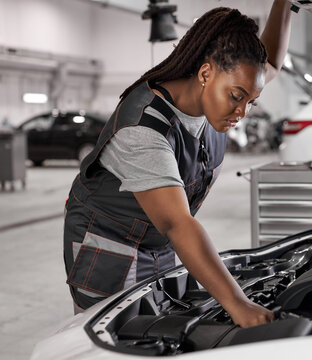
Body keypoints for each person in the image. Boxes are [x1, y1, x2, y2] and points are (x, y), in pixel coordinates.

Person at [63, 0, 291, 328]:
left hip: (155, 240)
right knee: (113, 335)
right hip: (109, 243)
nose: (241, 113)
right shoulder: (143, 129)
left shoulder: (224, 89)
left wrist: (286, 5)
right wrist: (238, 303)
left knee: (158, 327)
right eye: (237, 96)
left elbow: (269, 63)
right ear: (205, 72)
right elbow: (178, 225)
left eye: (251, 102)